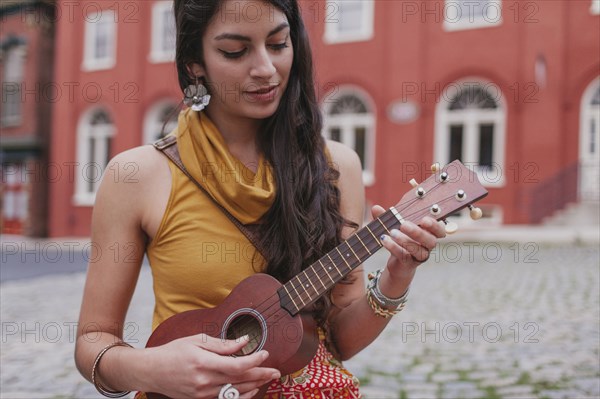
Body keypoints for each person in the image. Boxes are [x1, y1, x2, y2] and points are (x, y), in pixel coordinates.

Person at [74, 1, 446, 398]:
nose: (266, 69)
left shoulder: (337, 166)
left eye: (278, 44)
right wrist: (148, 369)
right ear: (194, 62)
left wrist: (396, 276)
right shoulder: (136, 175)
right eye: (235, 51)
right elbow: (93, 340)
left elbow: (340, 342)